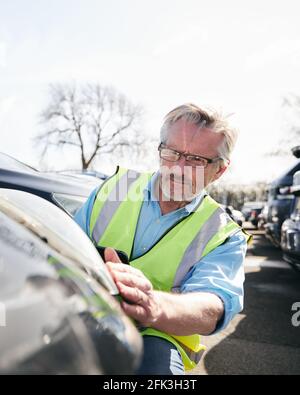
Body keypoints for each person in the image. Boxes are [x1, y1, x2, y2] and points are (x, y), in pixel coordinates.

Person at [75, 103, 251, 375]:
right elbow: (66, 245)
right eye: (172, 153)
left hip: (158, 335)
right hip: (85, 314)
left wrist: (154, 306)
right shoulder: (115, 187)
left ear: (219, 171)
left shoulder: (223, 234)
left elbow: (214, 304)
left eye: (195, 160)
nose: (179, 168)